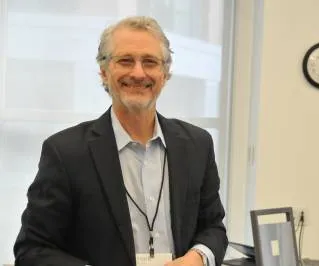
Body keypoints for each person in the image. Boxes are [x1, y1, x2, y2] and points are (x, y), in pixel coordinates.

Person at [14, 16, 228, 266]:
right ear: (104, 72)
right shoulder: (65, 153)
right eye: (125, 60)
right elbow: (32, 250)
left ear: (165, 74)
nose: (138, 73)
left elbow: (213, 228)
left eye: (150, 62)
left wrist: (198, 258)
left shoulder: (197, 145)